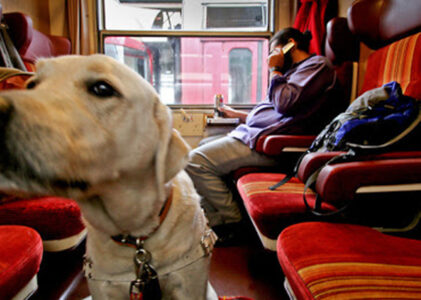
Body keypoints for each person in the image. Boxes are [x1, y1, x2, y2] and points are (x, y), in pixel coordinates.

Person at [186, 27, 344, 243]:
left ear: (291, 44)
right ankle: (214, 221)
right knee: (204, 144)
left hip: (273, 145)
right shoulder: (294, 73)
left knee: (194, 162)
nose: (271, 57)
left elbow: (285, 104)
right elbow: (274, 113)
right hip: (256, 135)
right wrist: (238, 115)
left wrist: (275, 71)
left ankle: (233, 222)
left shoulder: (317, 67)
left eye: (274, 50)